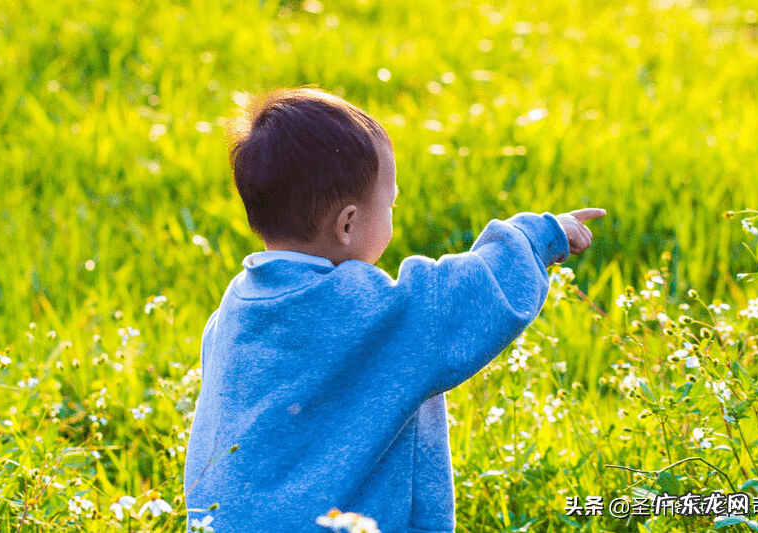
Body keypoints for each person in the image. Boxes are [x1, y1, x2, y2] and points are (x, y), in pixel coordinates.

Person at [183, 87, 604, 533]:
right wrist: (539, 237)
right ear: (348, 224)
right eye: (390, 205)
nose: (392, 214)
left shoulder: (236, 307)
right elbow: (462, 297)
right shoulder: (366, 310)